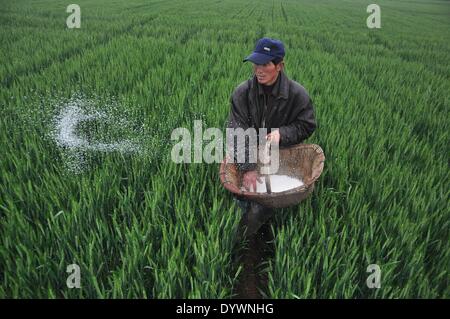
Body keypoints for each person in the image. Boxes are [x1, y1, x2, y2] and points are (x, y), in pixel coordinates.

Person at [226, 37, 317, 239]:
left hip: (282, 156)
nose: (259, 69)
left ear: (280, 66)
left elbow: (307, 124)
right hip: (250, 153)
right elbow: (236, 130)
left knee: (264, 207)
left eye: (265, 64)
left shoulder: (297, 95)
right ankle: (239, 231)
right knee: (244, 197)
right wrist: (248, 167)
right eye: (256, 63)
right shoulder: (242, 93)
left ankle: (253, 236)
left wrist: (282, 133)